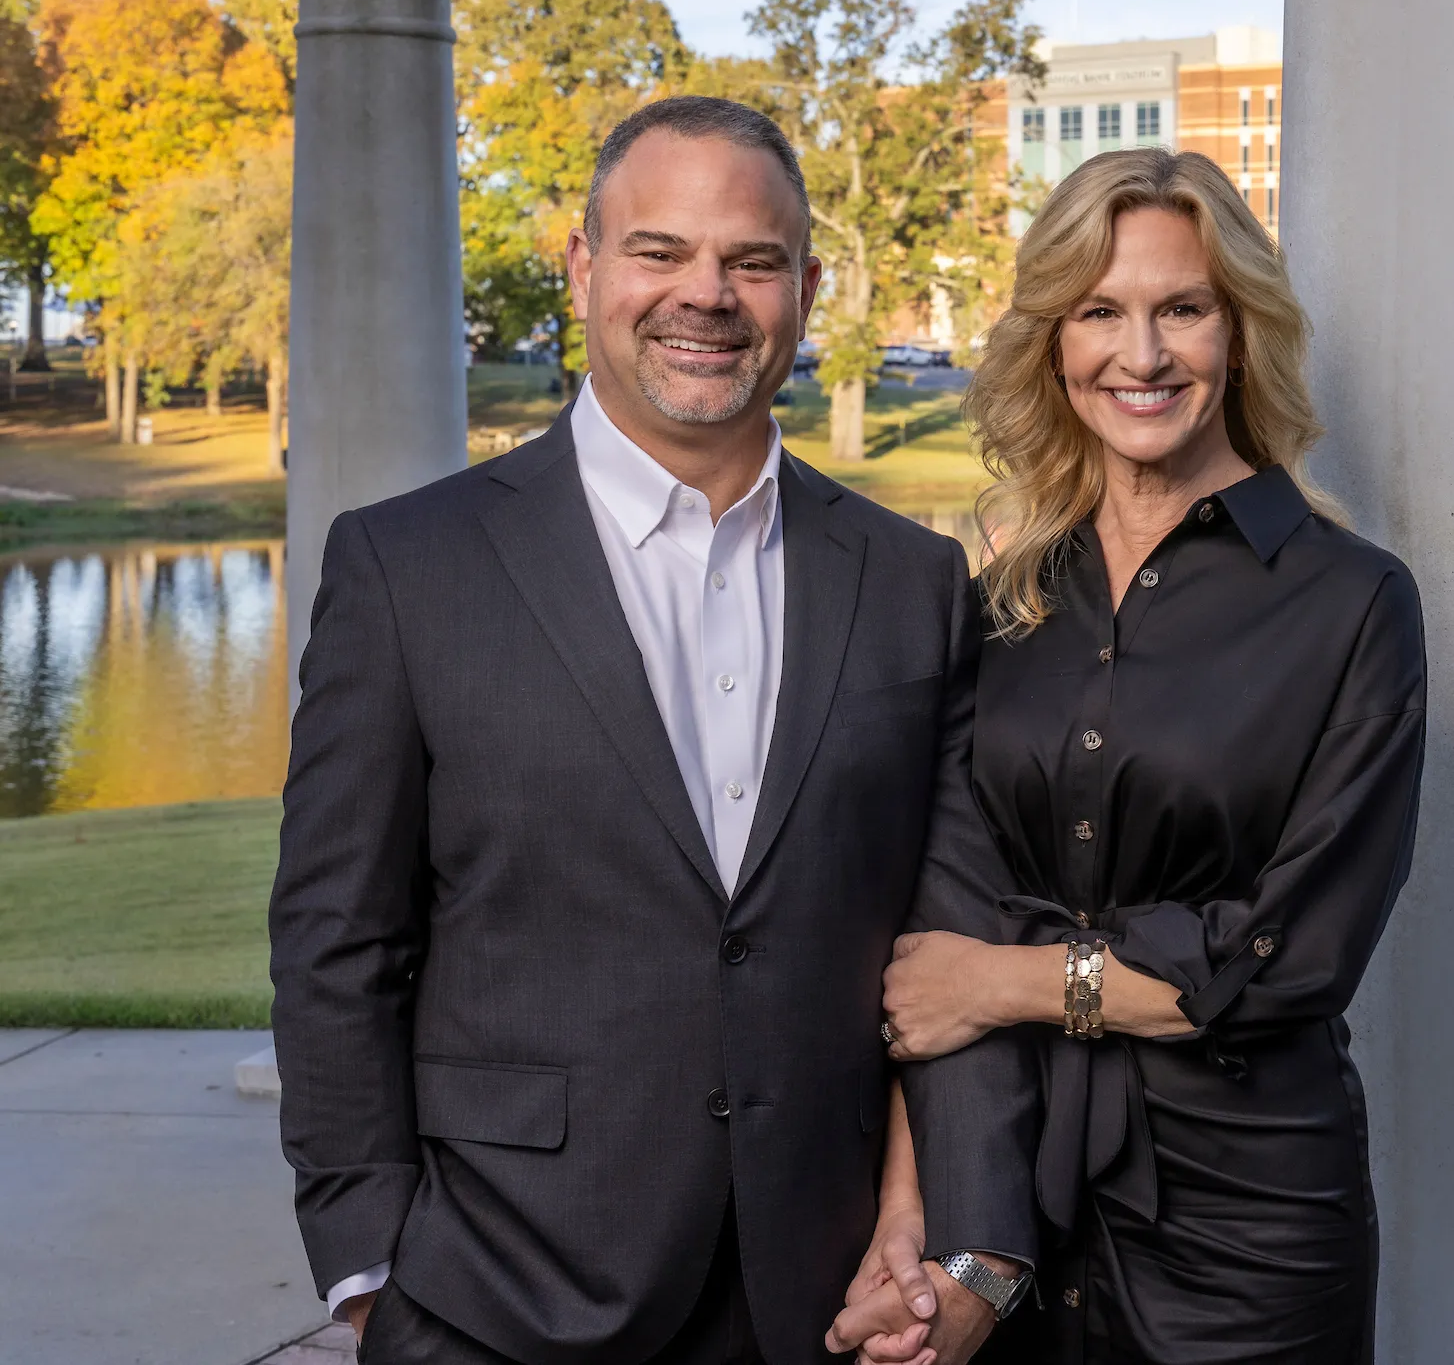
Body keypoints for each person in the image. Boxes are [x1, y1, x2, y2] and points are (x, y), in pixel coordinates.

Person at [269, 95, 1038, 1365]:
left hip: (835, 1294)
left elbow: (952, 939)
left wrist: (971, 1246)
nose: (706, 294)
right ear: (583, 266)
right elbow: (337, 934)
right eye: (657, 250)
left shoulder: (909, 582)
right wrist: (372, 1268)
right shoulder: (409, 567)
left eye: (750, 258)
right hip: (495, 1293)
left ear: (807, 283)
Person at [830, 147, 1425, 1365]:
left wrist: (1006, 980)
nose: (1140, 354)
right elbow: (937, 929)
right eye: (1098, 311)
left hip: (1252, 1229)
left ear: (1239, 331)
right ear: (1051, 342)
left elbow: (1291, 954)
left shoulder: (1350, 602)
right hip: (1006, 1213)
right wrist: (915, 1212)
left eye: (1182, 309)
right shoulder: (999, 602)